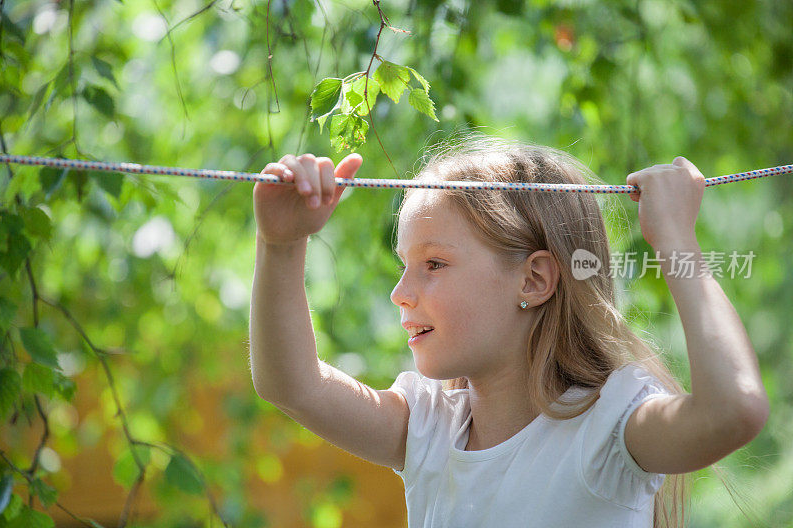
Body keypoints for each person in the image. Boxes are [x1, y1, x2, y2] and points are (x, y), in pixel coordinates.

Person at [250, 133, 769, 527]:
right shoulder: (429, 430)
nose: (399, 292)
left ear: (534, 278)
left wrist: (676, 238)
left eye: (433, 264)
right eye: (403, 264)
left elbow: (735, 409)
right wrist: (281, 246)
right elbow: (291, 384)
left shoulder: (609, 429)